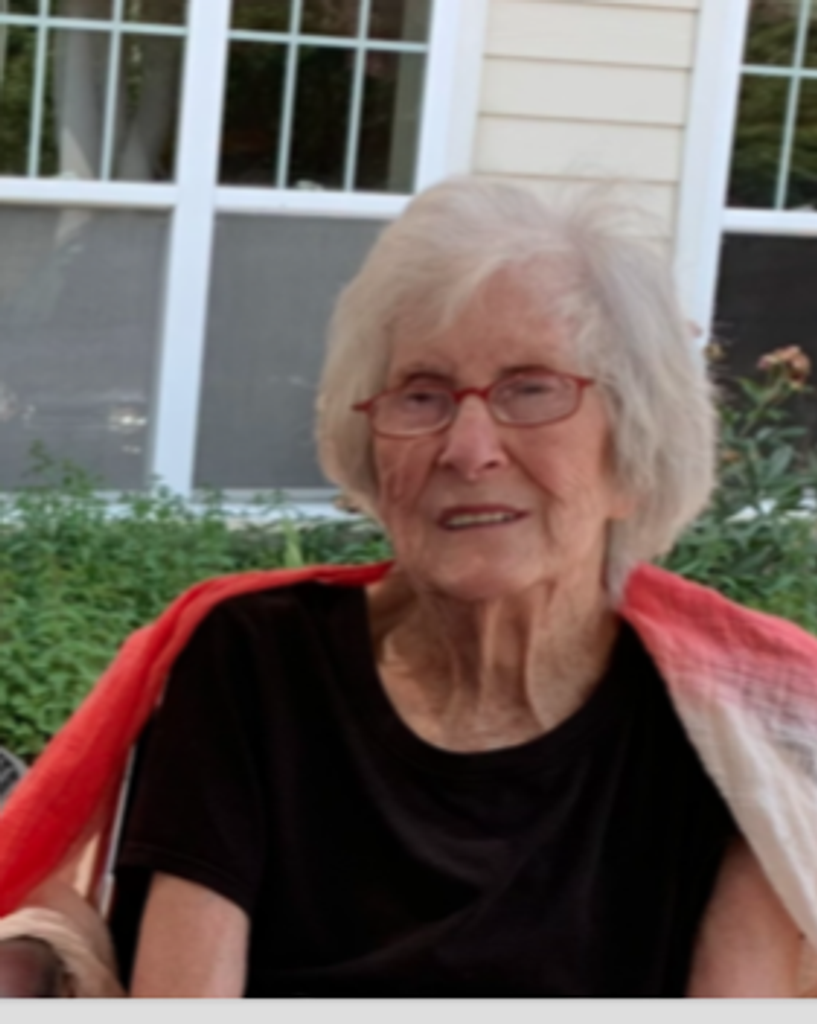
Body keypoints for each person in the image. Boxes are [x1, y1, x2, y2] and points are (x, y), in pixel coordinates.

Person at [1, 177, 815, 997]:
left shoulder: (741, 735)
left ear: (633, 451)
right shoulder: (255, 663)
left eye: (530, 388)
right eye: (422, 395)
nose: (467, 448)